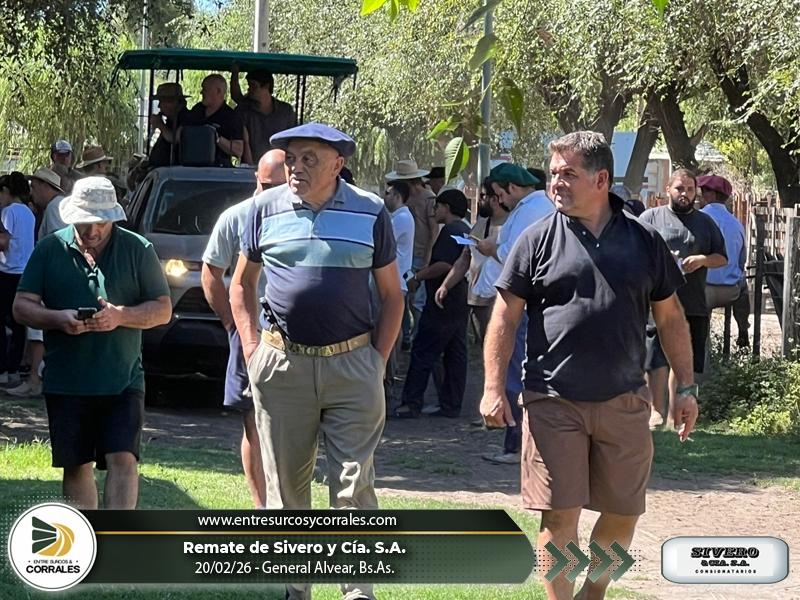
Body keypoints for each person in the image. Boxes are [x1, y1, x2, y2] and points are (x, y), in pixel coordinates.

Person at [481, 131, 698, 600]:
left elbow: (670, 318)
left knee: (624, 513)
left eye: (568, 174)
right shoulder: (536, 239)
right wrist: (493, 387)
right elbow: (504, 315)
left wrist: (685, 386)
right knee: (560, 514)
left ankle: (593, 594)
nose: (555, 183)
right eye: (553, 174)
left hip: (625, 398)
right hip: (552, 398)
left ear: (601, 180)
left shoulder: (644, 240)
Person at [230, 123, 403, 600]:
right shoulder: (263, 209)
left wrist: (376, 361)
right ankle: (296, 588)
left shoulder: (371, 211)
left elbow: (393, 296)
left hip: (353, 367)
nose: (296, 167)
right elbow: (241, 284)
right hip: (281, 367)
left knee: (353, 484)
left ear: (338, 164)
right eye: (292, 159)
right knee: (287, 489)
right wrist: (252, 349)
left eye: (309, 158)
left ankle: (357, 591)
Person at [13, 176, 171, 509]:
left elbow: (162, 309)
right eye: (85, 222)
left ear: (113, 217)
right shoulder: (50, 249)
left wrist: (120, 316)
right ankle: (86, 535)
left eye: (101, 222)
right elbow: (21, 306)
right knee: (76, 465)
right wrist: (59, 318)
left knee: (123, 458)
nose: (93, 230)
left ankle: (117, 536)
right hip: (67, 380)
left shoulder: (138, 249)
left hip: (123, 379)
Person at [201, 149, 286, 509]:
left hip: (295, 337)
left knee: (293, 425)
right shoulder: (236, 217)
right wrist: (232, 323)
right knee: (253, 422)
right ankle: (261, 506)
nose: (271, 193)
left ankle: (287, 502)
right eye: (266, 185)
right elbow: (211, 273)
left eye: (279, 186)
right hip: (253, 333)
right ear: (256, 179)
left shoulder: (301, 216)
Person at [476, 163, 554, 465]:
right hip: (528, 302)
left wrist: (491, 249)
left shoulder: (531, 211)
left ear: (511, 187)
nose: (499, 201)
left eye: (499, 194)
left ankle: (516, 443)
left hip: (524, 302)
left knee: (515, 372)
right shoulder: (532, 208)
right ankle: (518, 440)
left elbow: (515, 256)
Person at [640, 169, 726, 429]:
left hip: (692, 301)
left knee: (682, 361)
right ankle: (655, 411)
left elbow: (722, 258)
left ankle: (674, 415)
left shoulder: (705, 223)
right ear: (668, 189)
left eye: (690, 189)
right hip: (658, 301)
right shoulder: (650, 218)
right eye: (679, 188)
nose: (685, 194)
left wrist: (702, 260)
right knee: (655, 359)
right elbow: (633, 253)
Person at [393, 189, 471, 419]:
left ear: (447, 208)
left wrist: (418, 276)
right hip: (459, 300)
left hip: (442, 301)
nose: (434, 211)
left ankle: (411, 403)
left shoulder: (450, 231)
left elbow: (445, 264)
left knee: (423, 350)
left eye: (437, 207)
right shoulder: (466, 229)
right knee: (456, 353)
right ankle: (451, 404)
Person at [435, 177, 508, 345]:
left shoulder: (512, 224)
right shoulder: (481, 223)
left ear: (494, 199)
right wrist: (446, 285)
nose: (478, 200)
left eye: (482, 196)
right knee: (485, 346)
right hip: (477, 299)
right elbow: (464, 258)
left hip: (501, 298)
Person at [385, 159, 437, 347]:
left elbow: (434, 229)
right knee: (404, 300)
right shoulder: (403, 205)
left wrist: (428, 258)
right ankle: (406, 337)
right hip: (407, 252)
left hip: (420, 254)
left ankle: (418, 337)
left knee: (417, 300)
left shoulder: (429, 198)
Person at [699, 174, 750, 348]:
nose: (701, 195)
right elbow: (742, 260)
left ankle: (702, 344)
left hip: (702, 290)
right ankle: (743, 328)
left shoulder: (698, 219)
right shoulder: (736, 224)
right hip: (730, 291)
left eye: (703, 191)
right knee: (743, 285)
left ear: (711, 195)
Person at [0, 172, 35, 387]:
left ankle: (2, 367)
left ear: (6, 191)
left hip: (6, 271)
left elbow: (3, 242)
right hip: (24, 272)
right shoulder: (29, 213)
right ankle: (14, 367)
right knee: (18, 322)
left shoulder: (8, 212)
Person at [381, 180, 415, 400]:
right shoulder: (399, 217)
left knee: (391, 329)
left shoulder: (401, 218)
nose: (385, 197)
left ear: (397, 195)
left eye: (388, 193)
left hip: (395, 280)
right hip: (396, 279)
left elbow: (382, 241)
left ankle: (390, 375)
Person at [230, 66, 296, 165]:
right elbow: (236, 96)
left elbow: (293, 142)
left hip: (281, 167)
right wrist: (235, 73)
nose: (249, 89)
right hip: (251, 167)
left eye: (254, 86)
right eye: (249, 86)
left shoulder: (286, 111)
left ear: (266, 86)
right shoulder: (244, 110)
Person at [183, 74, 244, 167]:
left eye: (205, 89)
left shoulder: (231, 116)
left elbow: (238, 151)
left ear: (218, 91)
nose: (201, 92)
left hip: (218, 168)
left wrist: (215, 137)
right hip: (192, 166)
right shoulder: (197, 110)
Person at [149, 82, 189, 168]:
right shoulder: (170, 120)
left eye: (161, 101)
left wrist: (160, 125)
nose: (159, 106)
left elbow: (175, 139)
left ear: (173, 102)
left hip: (174, 172)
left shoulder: (186, 118)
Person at [29, 167, 66, 239]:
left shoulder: (54, 206)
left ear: (45, 186)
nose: (31, 192)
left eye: (33, 187)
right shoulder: (58, 203)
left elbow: (57, 241)